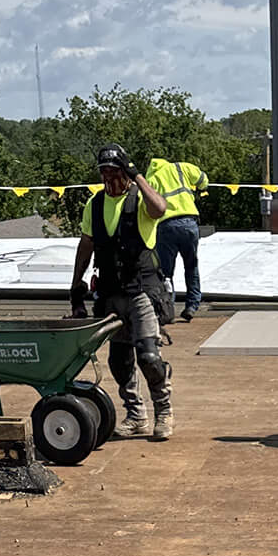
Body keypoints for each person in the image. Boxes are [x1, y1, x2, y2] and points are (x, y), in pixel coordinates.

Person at [72, 146, 175, 441]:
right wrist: (75, 284)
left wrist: (138, 176)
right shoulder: (95, 204)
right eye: (104, 172)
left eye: (115, 172)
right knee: (119, 360)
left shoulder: (140, 200)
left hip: (142, 291)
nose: (109, 178)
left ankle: (164, 411)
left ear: (125, 173)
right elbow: (87, 244)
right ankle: (136, 415)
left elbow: (160, 208)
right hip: (110, 293)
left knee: (149, 356)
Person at [146, 152, 206, 321]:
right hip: (189, 223)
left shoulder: (151, 180)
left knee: (166, 273)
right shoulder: (182, 168)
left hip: (165, 226)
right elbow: (203, 180)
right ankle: (192, 306)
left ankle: (167, 309)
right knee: (191, 266)